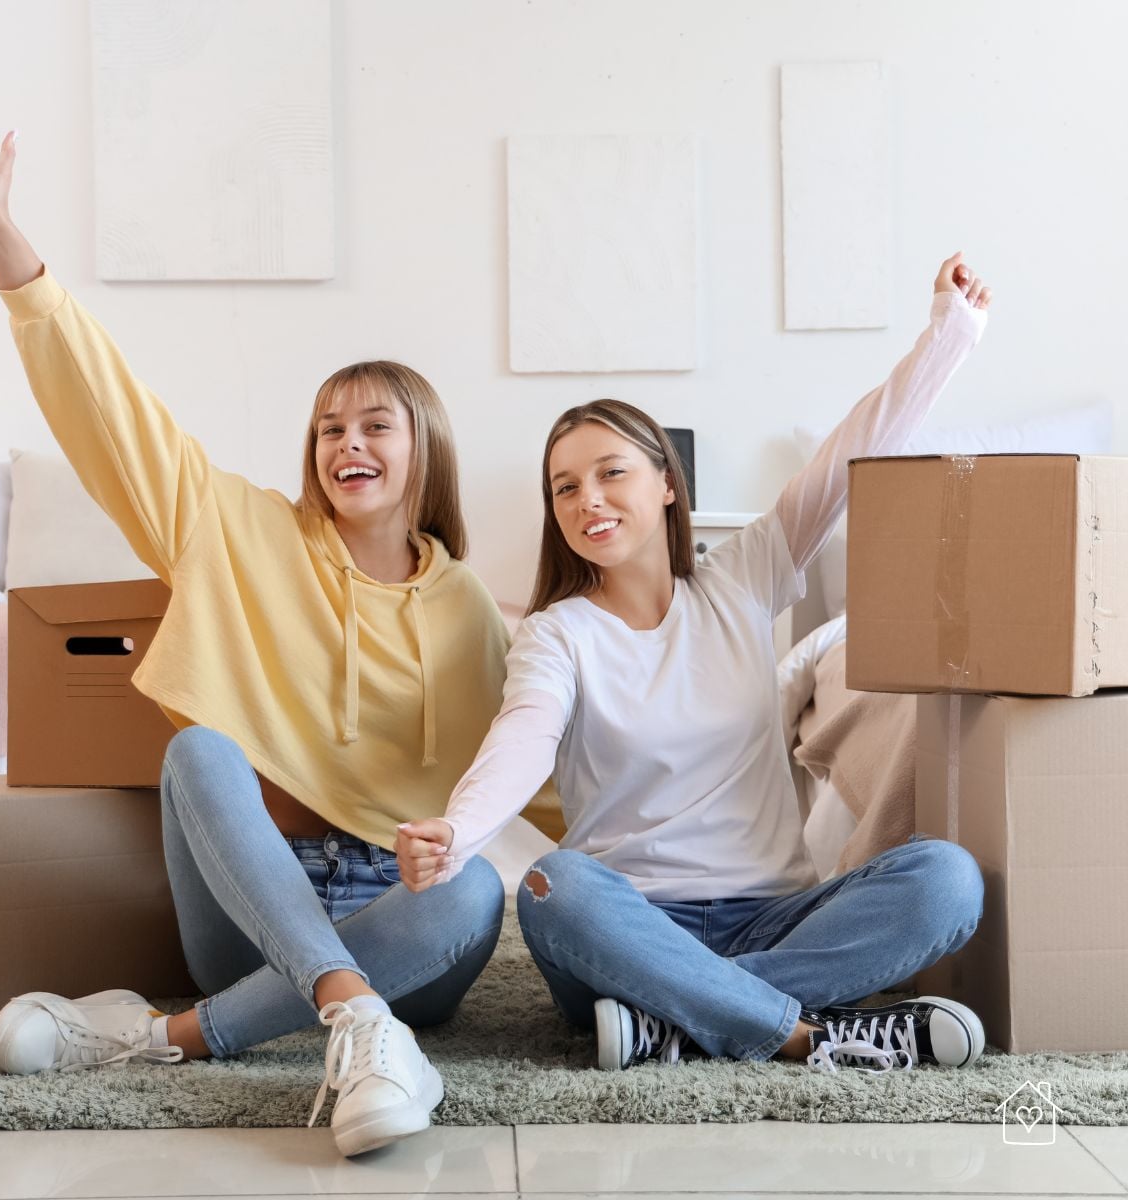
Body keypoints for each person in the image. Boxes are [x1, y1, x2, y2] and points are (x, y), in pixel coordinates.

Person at [0, 117, 561, 1156]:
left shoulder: (466, 611)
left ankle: (163, 1034)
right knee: (198, 750)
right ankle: (361, 1020)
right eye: (329, 427)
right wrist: (5, 247)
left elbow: (520, 782)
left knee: (474, 896)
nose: (346, 443)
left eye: (374, 425)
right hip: (248, 897)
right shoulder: (240, 532)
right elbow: (115, 419)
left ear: (424, 450)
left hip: (394, 908)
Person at [396, 254, 993, 1075]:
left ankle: (675, 1025)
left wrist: (948, 336)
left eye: (611, 473)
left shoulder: (745, 577)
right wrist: (461, 831)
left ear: (667, 485)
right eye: (564, 488)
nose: (588, 501)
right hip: (628, 930)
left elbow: (858, 447)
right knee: (554, 887)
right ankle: (800, 1032)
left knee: (947, 879)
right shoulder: (556, 633)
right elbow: (523, 737)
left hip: (772, 918)